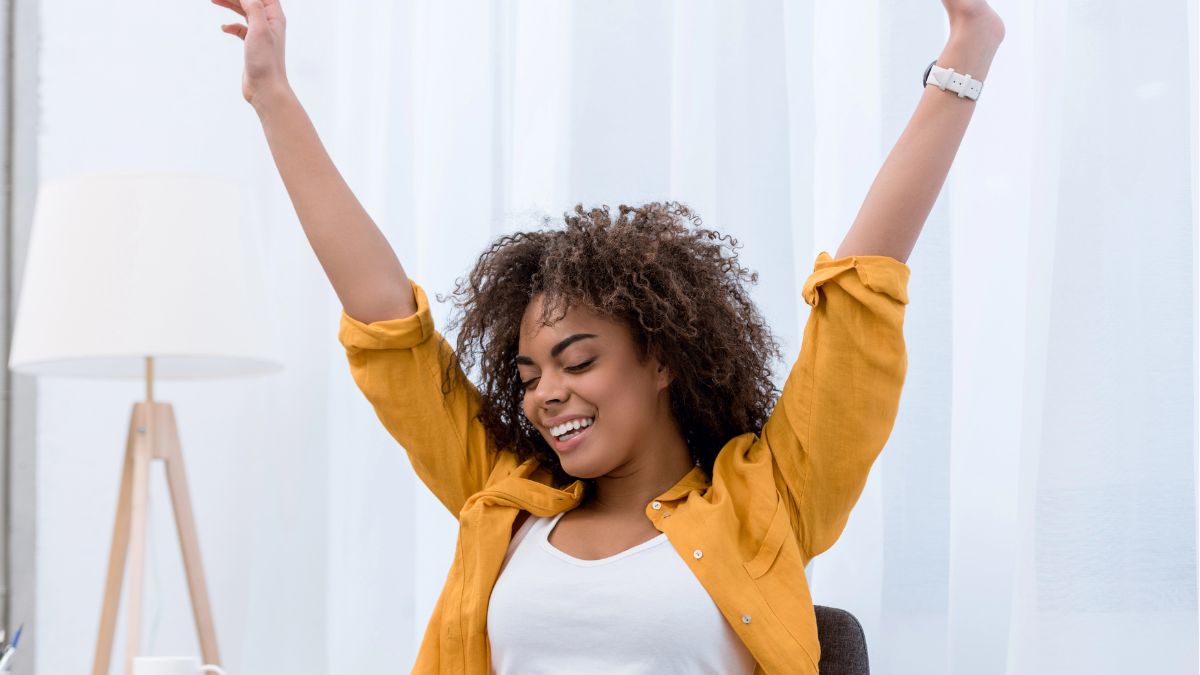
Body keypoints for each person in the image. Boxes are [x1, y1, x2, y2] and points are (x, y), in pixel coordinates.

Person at [212, 1, 1004, 672]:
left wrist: (968, 45)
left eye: (577, 359)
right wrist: (272, 95)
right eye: (527, 375)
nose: (545, 392)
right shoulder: (503, 500)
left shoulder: (769, 500)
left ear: (661, 358)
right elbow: (387, 323)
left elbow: (862, 286)